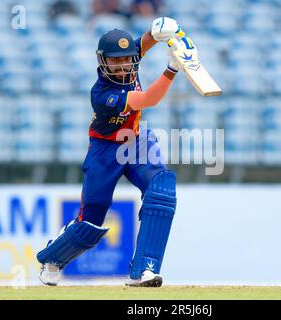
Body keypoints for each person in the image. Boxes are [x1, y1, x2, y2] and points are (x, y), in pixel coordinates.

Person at [36, 17, 192, 287]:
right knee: (91, 223)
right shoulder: (102, 93)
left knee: (162, 190)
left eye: (127, 59)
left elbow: (142, 44)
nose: (122, 66)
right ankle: (52, 258)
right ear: (103, 62)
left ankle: (144, 270)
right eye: (115, 61)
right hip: (105, 150)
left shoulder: (129, 59)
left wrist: (158, 32)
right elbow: (148, 100)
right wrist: (172, 69)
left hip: (136, 141)